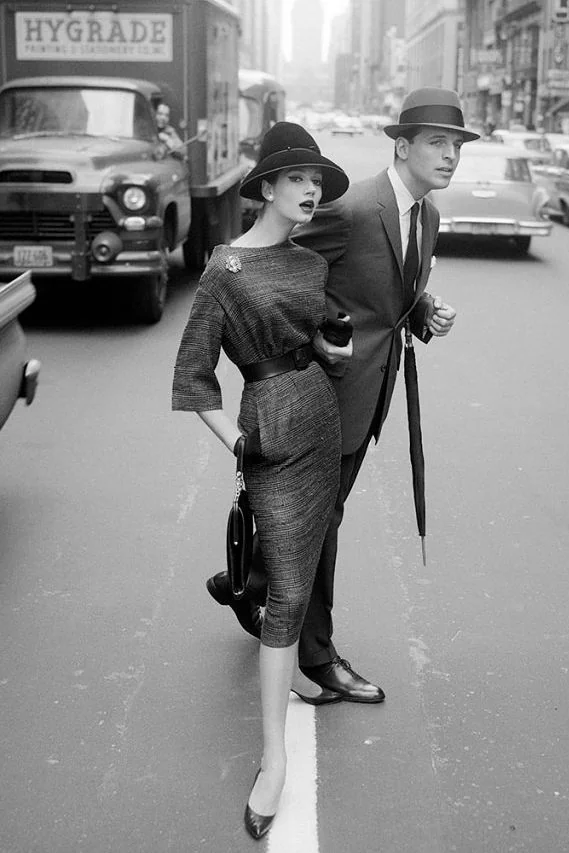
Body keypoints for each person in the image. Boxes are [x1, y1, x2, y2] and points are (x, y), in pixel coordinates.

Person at [172, 122, 350, 840]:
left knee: (299, 576)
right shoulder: (226, 271)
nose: (310, 190)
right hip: (269, 433)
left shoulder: (309, 265)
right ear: (266, 187)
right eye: (298, 178)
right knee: (285, 592)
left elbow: (316, 345)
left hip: (321, 418)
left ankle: (256, 604)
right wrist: (239, 441)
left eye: (316, 180)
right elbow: (192, 378)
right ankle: (273, 760)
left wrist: (331, 349)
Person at [291, 88, 480, 702]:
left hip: (372, 392)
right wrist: (321, 335)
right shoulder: (351, 208)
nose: (450, 156)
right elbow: (283, 273)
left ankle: (245, 581)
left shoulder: (428, 216)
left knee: (320, 513)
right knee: (323, 519)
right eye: (437, 144)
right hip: (323, 390)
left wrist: (426, 311)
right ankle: (316, 656)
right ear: (402, 147)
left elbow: (390, 294)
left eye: (456, 146)